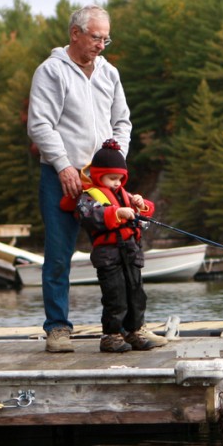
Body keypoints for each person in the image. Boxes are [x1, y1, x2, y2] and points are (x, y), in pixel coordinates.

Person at [27, 5, 129, 352]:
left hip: (103, 180)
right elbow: (40, 125)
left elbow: (122, 122)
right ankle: (58, 328)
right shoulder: (51, 71)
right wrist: (63, 165)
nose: (102, 44)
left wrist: (116, 161)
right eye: (96, 37)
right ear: (75, 34)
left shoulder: (109, 73)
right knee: (59, 254)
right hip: (61, 176)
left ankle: (121, 329)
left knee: (120, 251)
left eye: (106, 38)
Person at [62, 139, 157, 353]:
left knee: (136, 293)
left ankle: (134, 331)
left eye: (120, 178)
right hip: (108, 256)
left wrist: (141, 206)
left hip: (131, 253)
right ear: (99, 176)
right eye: (112, 178)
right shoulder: (89, 197)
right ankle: (111, 335)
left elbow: (144, 218)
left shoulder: (125, 195)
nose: (116, 183)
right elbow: (89, 216)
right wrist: (116, 213)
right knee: (115, 296)